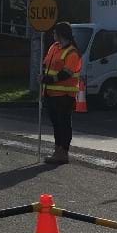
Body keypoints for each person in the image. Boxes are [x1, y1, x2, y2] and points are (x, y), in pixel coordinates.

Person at [41, 21, 83, 165]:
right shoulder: (54, 47)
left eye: (55, 32)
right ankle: (57, 150)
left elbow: (66, 74)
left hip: (65, 96)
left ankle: (63, 152)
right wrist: (43, 76)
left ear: (61, 34)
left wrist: (50, 79)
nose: (53, 34)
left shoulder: (72, 53)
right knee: (56, 124)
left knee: (63, 124)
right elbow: (46, 64)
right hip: (50, 93)